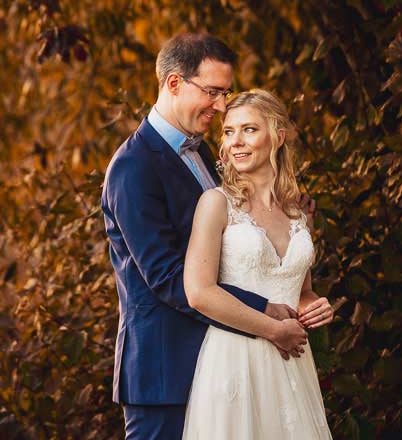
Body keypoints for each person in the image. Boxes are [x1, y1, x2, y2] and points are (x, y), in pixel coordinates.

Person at [102, 34, 323, 440]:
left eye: (225, 94)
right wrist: (265, 313)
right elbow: (167, 277)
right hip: (165, 369)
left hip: (228, 362)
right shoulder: (133, 167)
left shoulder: (203, 153)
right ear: (174, 83)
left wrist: (287, 215)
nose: (220, 106)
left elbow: (238, 232)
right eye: (213, 92)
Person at [181, 88, 335, 438]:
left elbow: (301, 290)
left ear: (278, 137)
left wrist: (315, 306)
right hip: (236, 360)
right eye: (228, 131)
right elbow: (199, 293)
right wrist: (274, 331)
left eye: (249, 129)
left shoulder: (299, 212)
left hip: (292, 363)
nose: (236, 141)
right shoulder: (216, 204)